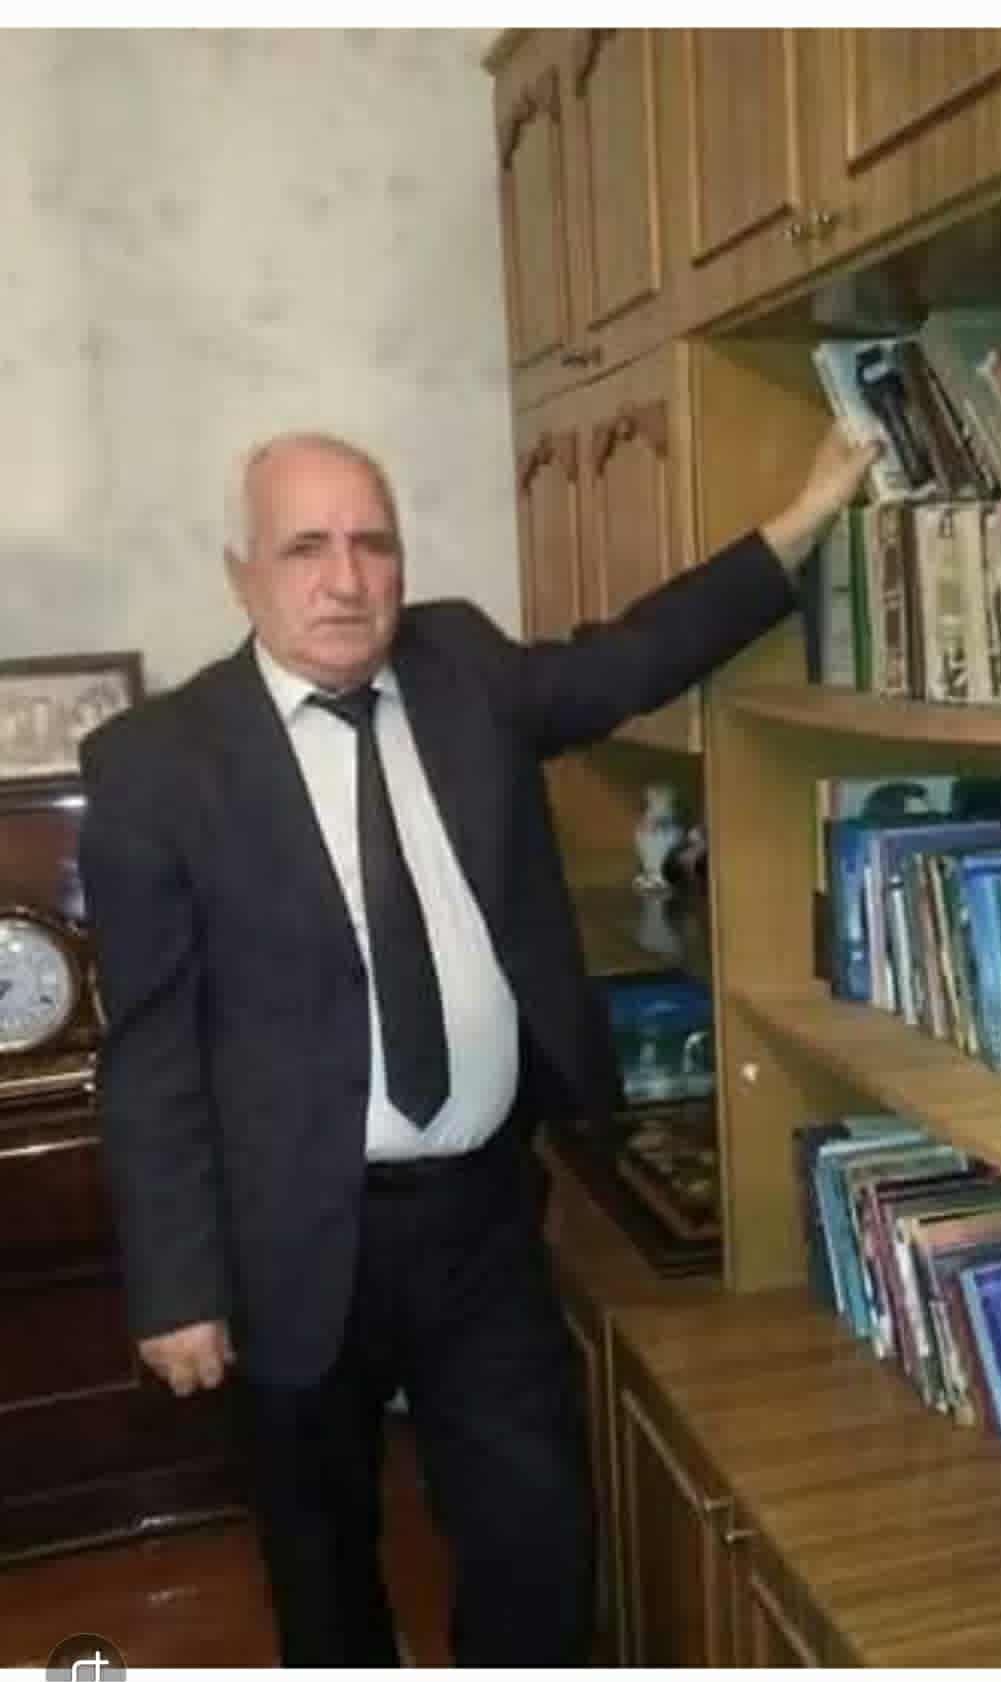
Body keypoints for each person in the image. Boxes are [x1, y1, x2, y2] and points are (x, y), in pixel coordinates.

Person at [78, 425, 876, 1667]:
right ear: (242, 574)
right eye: (305, 547)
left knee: (535, 1542)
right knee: (324, 1567)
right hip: (287, 1233)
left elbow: (631, 658)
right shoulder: (156, 762)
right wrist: (178, 1287)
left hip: (482, 1218)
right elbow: (150, 1050)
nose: (347, 579)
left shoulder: (463, 667)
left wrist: (805, 516)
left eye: (374, 543)